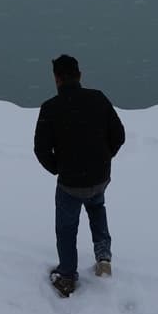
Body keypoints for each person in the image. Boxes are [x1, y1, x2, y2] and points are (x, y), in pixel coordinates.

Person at [34, 54, 126, 296]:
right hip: (99, 177)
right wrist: (104, 159)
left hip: (70, 183)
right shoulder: (98, 99)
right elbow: (119, 135)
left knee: (66, 228)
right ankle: (103, 259)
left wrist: (58, 168)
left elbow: (41, 149)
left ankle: (66, 276)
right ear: (80, 75)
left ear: (56, 79)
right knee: (97, 208)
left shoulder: (50, 108)